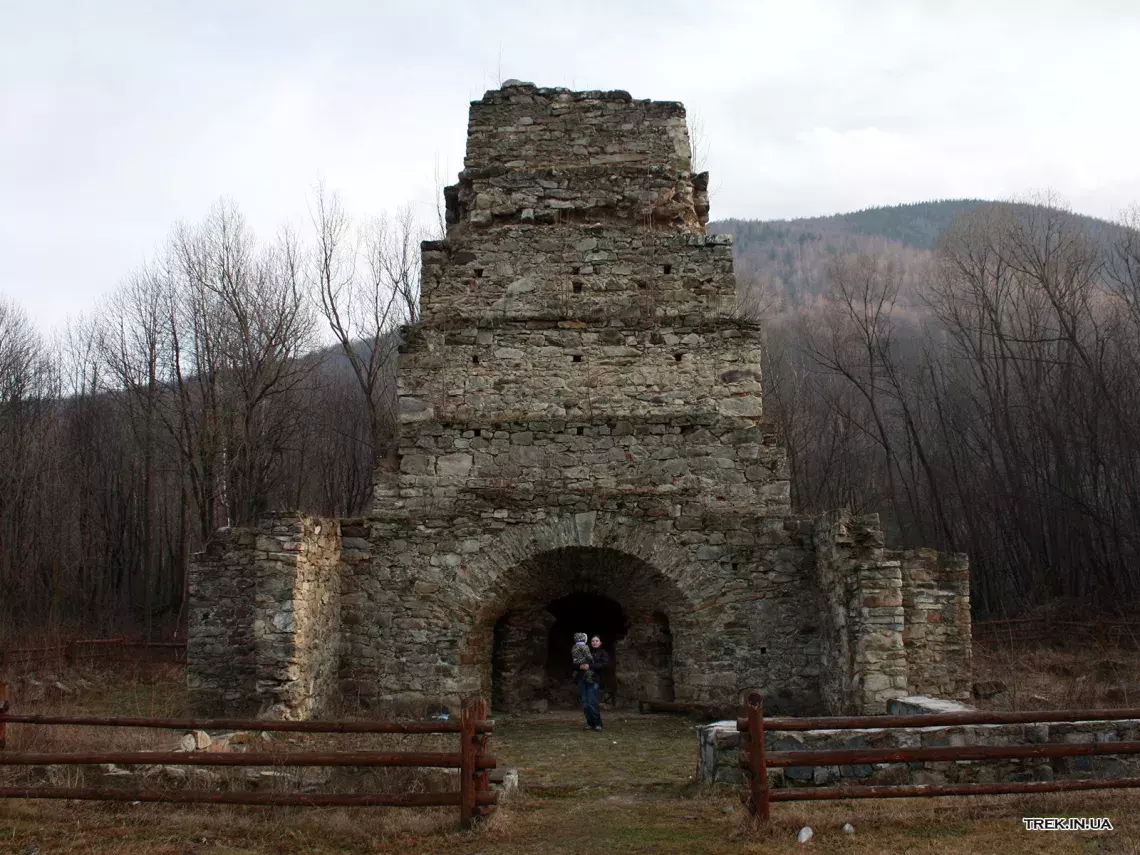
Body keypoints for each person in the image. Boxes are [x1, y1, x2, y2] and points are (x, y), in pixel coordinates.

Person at [575, 634, 608, 731]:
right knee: (585, 703)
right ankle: (590, 724)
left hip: (594, 680)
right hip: (582, 680)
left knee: (592, 702)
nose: (595, 642)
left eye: (597, 641)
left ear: (600, 642)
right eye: (593, 641)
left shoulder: (603, 653)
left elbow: (604, 665)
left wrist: (590, 666)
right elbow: (575, 663)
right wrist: (580, 666)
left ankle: (598, 724)